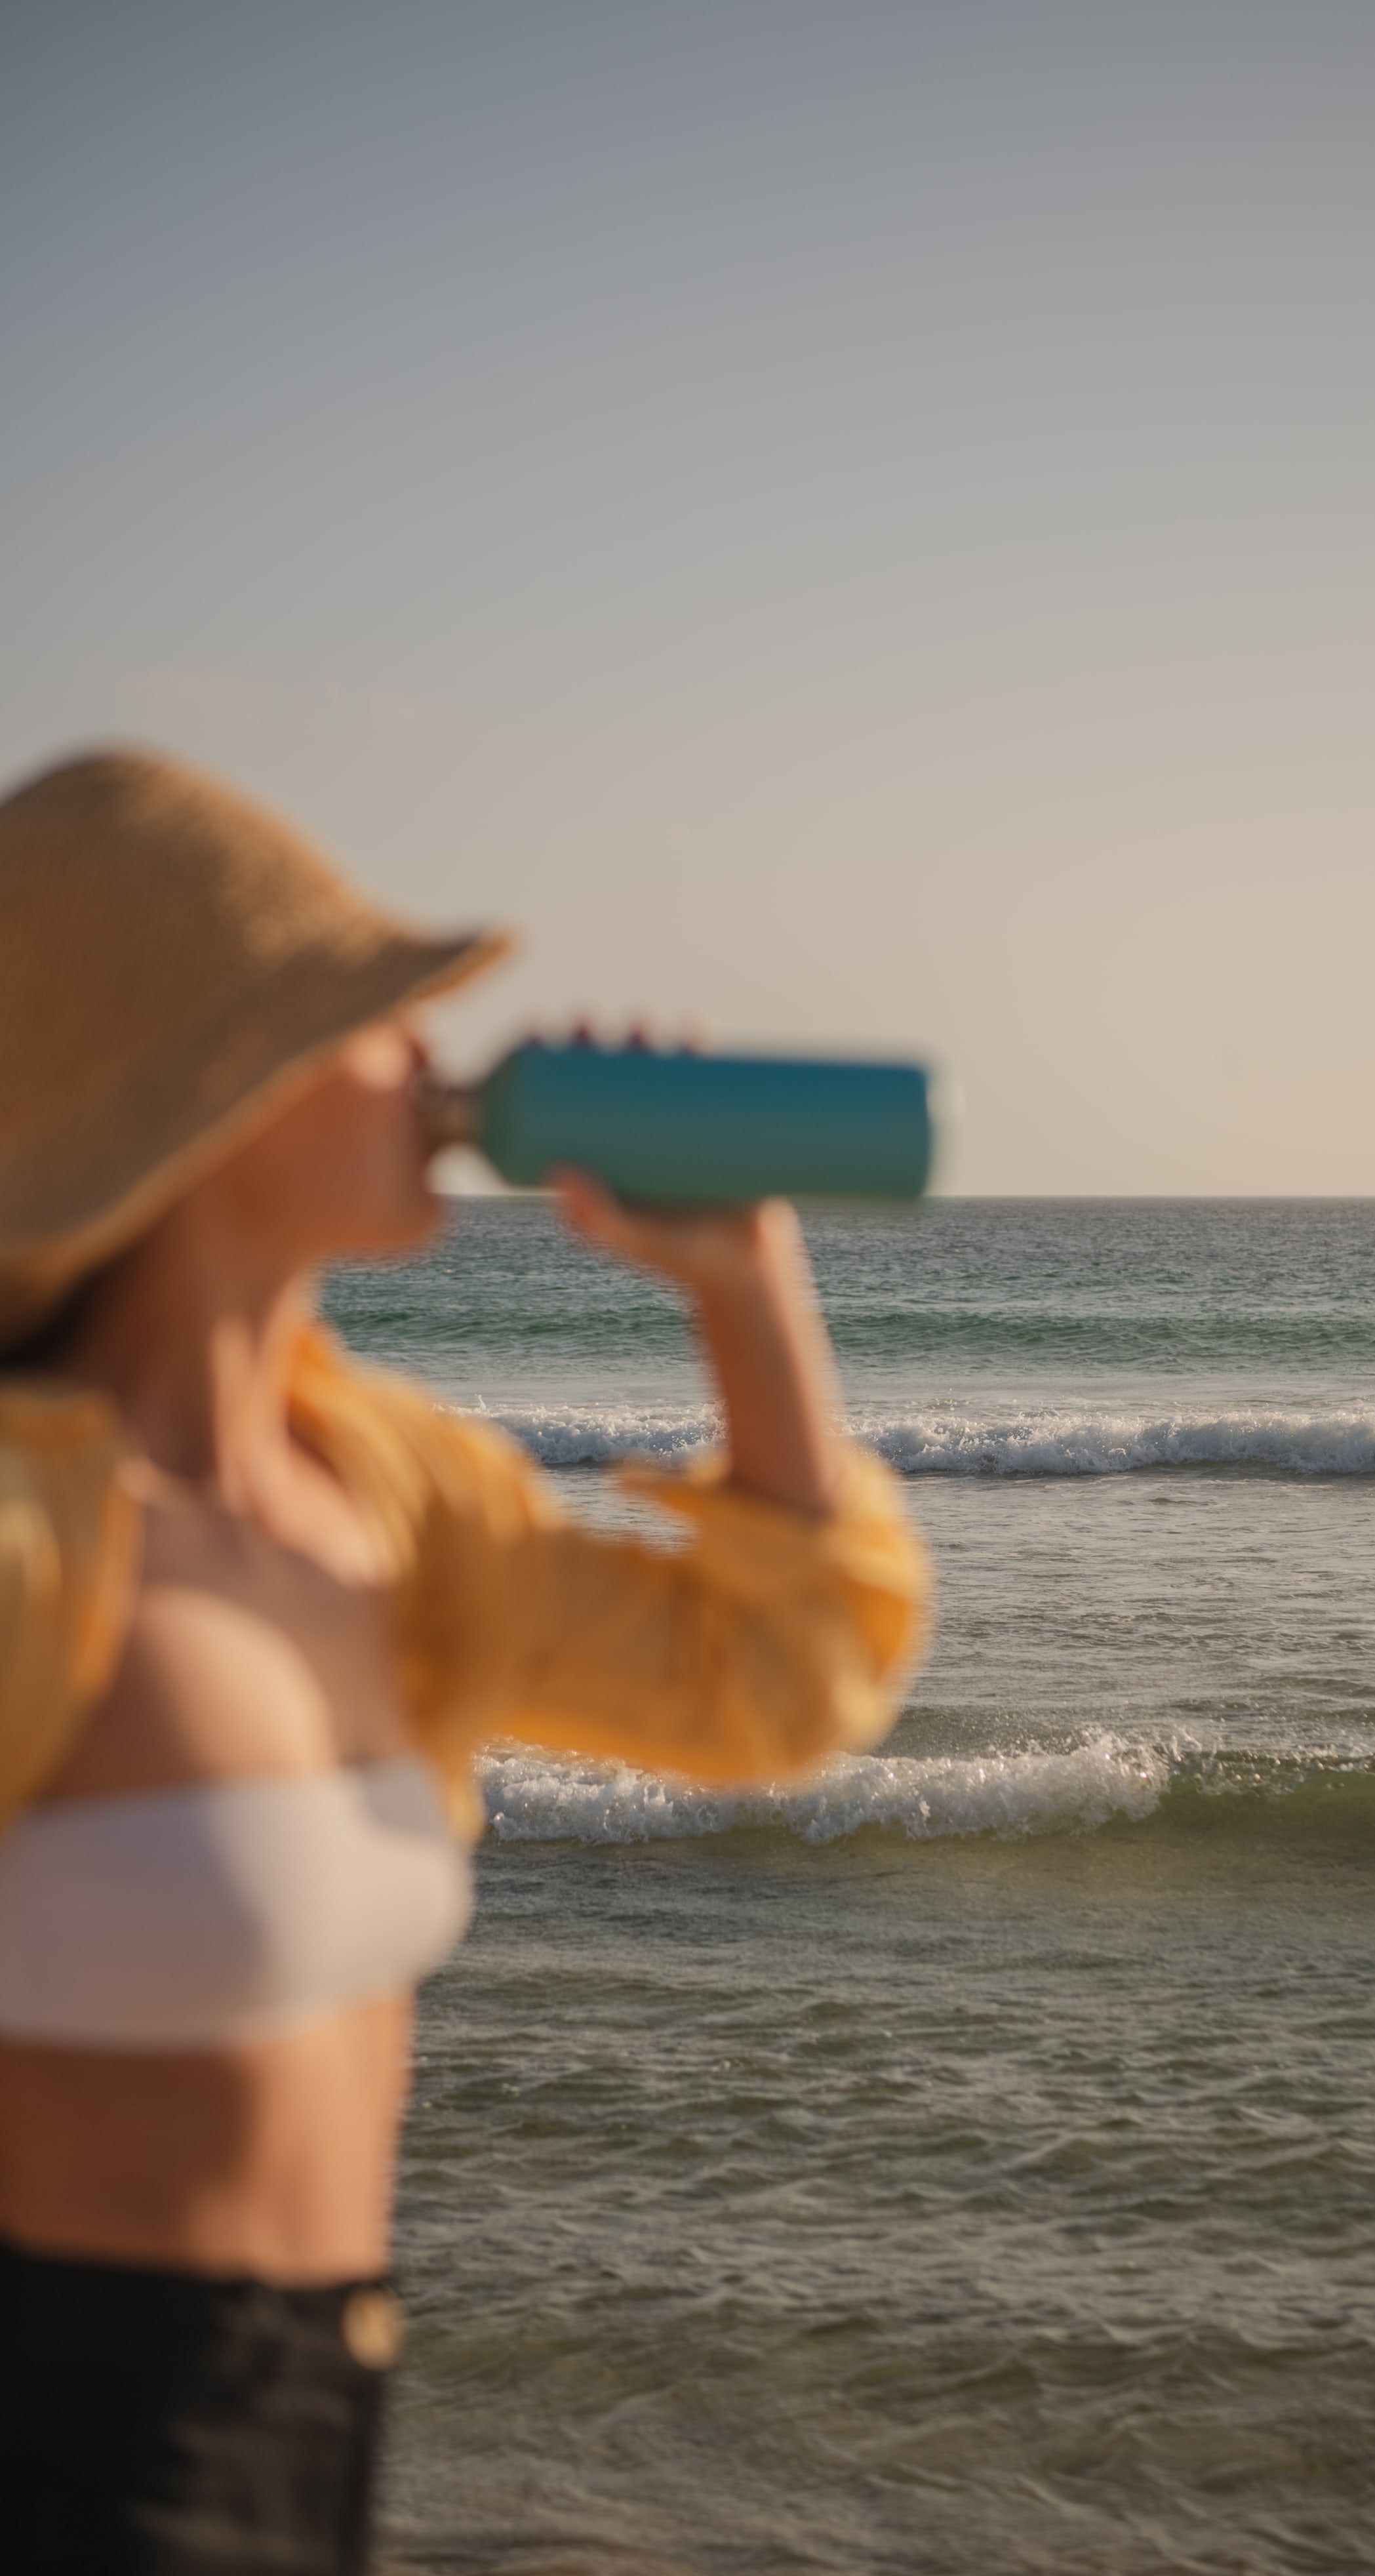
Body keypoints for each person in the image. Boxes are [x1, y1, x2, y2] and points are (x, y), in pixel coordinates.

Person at [0, 748, 930, 2575]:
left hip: (326, 2422)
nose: (434, 1056)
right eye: (368, 1020)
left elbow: (776, 1684)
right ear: (210, 1090)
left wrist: (740, 1288)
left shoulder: (393, 1497)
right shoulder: (32, 1547)